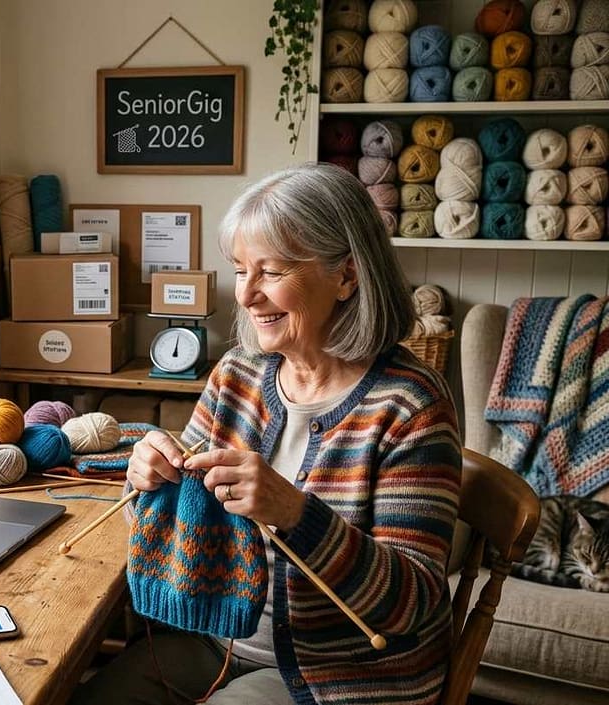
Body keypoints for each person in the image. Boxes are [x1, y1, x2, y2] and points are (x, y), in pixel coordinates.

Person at [70, 163, 461, 705]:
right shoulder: (238, 375)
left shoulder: (410, 406)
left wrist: (296, 514)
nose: (247, 295)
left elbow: (412, 601)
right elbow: (179, 516)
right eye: (239, 270)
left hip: (342, 673)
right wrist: (146, 484)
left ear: (347, 276)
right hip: (219, 636)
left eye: (271, 272)